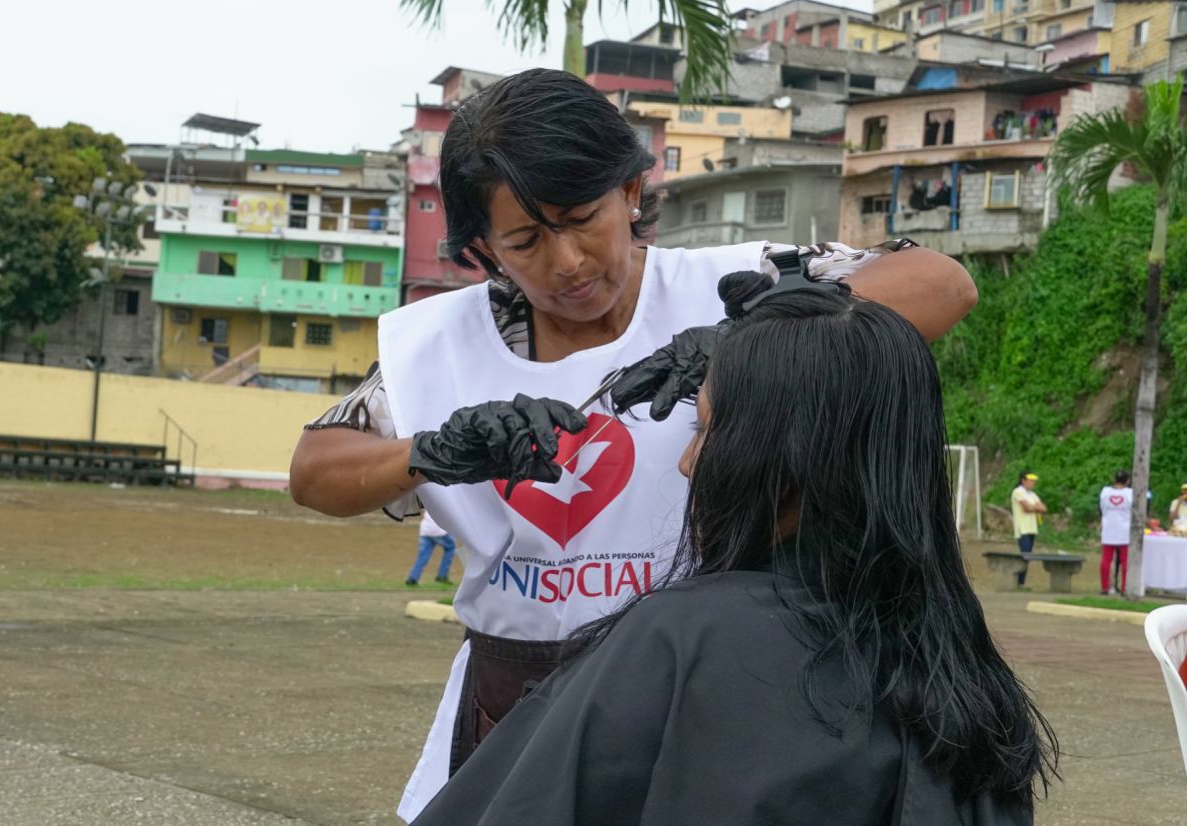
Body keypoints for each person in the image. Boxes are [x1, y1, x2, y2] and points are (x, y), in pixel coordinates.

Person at [288, 69, 978, 821]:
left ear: (630, 191)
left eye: (583, 217)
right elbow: (315, 470)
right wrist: (434, 450)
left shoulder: (736, 284)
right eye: (524, 240)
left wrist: (740, 340)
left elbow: (940, 285)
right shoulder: (437, 345)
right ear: (482, 247)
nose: (569, 264)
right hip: (513, 696)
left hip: (715, 682)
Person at [413, 290, 1055, 826]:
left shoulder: (683, 638)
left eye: (704, 429)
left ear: (782, 454)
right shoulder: (964, 675)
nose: (690, 463)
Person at [1098, 471, 1132, 596]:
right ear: (1127, 481)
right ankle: (1124, 588)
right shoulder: (1130, 493)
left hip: (1108, 529)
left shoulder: (1105, 492)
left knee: (1106, 560)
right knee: (1125, 561)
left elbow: (1101, 509)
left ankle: (1105, 587)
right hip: (1124, 530)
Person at [1011, 472, 1047, 587]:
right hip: (1022, 528)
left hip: (1032, 528)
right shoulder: (1018, 492)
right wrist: (1035, 507)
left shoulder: (1032, 494)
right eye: (1031, 481)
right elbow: (1026, 508)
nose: (1033, 483)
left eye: (1034, 481)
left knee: (1028, 555)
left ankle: (1021, 582)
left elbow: (1043, 508)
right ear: (1023, 481)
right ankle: (1019, 581)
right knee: (1024, 554)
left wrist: (1034, 507)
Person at [407, 511, 457, 586]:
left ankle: (412, 578)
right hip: (438, 531)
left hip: (425, 530)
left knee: (423, 556)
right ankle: (442, 576)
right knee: (451, 548)